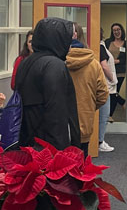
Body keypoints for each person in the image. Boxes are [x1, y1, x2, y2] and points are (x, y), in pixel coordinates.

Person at [14, 17, 80, 150]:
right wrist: (62, 149)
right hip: (48, 142)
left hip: (28, 136)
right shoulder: (54, 65)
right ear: (58, 39)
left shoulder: (26, 62)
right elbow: (57, 110)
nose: (69, 45)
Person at [66, 23, 109, 154]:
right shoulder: (94, 64)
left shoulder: (56, 62)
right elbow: (103, 95)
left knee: (59, 166)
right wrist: (89, 106)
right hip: (84, 122)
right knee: (81, 166)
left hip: (59, 125)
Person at [97, 28, 118, 152]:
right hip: (105, 86)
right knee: (104, 116)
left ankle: (100, 140)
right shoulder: (100, 47)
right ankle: (100, 142)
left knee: (102, 116)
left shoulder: (100, 46)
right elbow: (104, 66)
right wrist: (113, 80)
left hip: (104, 85)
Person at [105, 23, 127, 115]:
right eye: (114, 30)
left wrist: (117, 61)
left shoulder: (126, 43)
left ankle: (110, 114)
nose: (116, 32)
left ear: (121, 31)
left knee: (114, 92)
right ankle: (122, 102)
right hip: (108, 71)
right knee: (110, 92)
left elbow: (126, 58)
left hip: (120, 72)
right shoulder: (107, 42)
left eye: (118, 29)